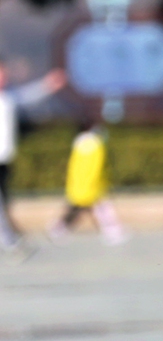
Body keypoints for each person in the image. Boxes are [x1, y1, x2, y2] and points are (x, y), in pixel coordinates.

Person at [0, 62, 66, 255]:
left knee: (4, 199)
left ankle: (9, 238)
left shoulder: (8, 97)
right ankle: (8, 240)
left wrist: (48, 85)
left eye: (4, 73)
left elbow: (27, 96)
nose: (4, 76)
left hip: (4, 157)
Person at [46, 119, 127, 245]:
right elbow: (98, 167)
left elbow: (73, 166)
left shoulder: (78, 144)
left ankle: (58, 229)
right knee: (102, 209)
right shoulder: (96, 145)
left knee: (77, 209)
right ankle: (112, 232)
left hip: (78, 185)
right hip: (93, 185)